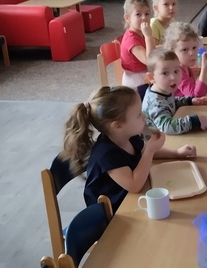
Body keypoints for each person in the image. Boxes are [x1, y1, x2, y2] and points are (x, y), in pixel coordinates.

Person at [60, 85, 196, 213]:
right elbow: (134, 185)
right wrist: (150, 151)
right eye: (138, 114)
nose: (144, 117)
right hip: (112, 215)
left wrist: (177, 153)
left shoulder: (129, 136)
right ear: (118, 126)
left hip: (132, 198)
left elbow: (145, 151)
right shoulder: (107, 155)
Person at [142, 49, 207, 135]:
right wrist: (193, 121)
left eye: (176, 71)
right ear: (151, 77)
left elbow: (170, 102)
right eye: (165, 73)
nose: (173, 77)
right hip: (157, 140)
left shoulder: (163, 90)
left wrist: (190, 101)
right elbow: (167, 126)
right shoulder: (155, 103)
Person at [164, 21, 207, 98]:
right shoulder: (177, 72)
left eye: (194, 47)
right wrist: (205, 69)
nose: (192, 53)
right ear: (172, 52)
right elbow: (195, 96)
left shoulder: (185, 67)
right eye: (184, 50)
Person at [120, 0, 156, 88]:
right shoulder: (131, 39)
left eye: (147, 14)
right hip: (136, 81)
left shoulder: (141, 32)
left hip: (144, 75)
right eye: (138, 14)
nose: (144, 17)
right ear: (127, 18)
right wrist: (148, 36)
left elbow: (152, 50)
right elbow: (149, 61)